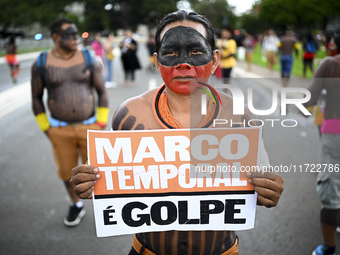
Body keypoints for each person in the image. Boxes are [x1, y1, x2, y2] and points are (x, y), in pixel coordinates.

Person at [70, 10, 284, 255]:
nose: (184, 63)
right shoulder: (129, 115)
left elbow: (261, 183)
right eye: (171, 53)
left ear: (214, 60)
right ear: (156, 61)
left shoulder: (241, 117)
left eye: (195, 52)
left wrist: (269, 189)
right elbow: (102, 179)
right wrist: (87, 182)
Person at [31, 18, 109, 227]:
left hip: (90, 126)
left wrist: (100, 123)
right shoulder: (41, 62)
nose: (76, 38)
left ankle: (105, 210)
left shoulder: (89, 58)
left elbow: (102, 91)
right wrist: (46, 128)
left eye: (77, 34)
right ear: (56, 37)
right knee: (67, 172)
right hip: (59, 128)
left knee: (99, 172)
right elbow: (36, 98)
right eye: (70, 35)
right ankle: (76, 205)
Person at [303, 36, 340, 255]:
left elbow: (310, 97)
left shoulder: (330, 64)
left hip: (335, 130)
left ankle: (328, 248)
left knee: (331, 190)